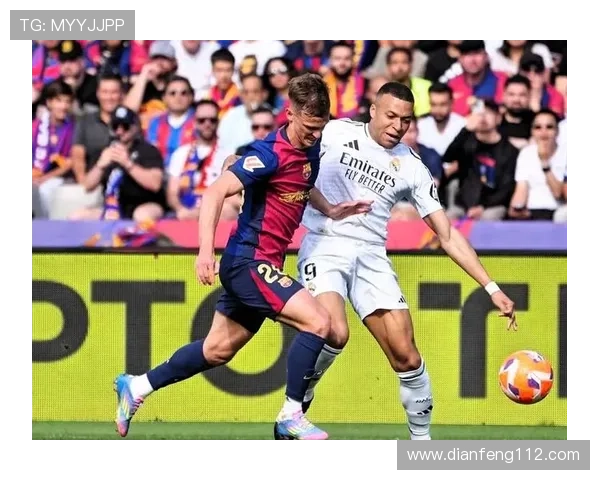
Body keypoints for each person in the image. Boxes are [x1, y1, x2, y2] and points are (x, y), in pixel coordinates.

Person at [113, 73, 372, 440]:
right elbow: (214, 193)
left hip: (263, 263)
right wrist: (205, 252)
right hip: (248, 262)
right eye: (310, 127)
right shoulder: (269, 154)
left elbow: (299, 180)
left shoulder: (309, 146)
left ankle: (137, 386)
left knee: (217, 350)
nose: (315, 135)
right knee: (319, 323)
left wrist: (329, 209)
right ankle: (291, 415)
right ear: (290, 113)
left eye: (321, 127)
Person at [280, 81, 517, 441]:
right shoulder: (335, 132)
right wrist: (240, 164)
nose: (397, 126)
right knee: (333, 330)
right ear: (373, 110)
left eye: (406, 120)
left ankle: (421, 446)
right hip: (325, 244)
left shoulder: (412, 166)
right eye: (391, 116)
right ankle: (297, 402)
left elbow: (447, 234)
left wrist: (492, 287)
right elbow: (283, 152)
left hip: (372, 254)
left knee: (407, 356)